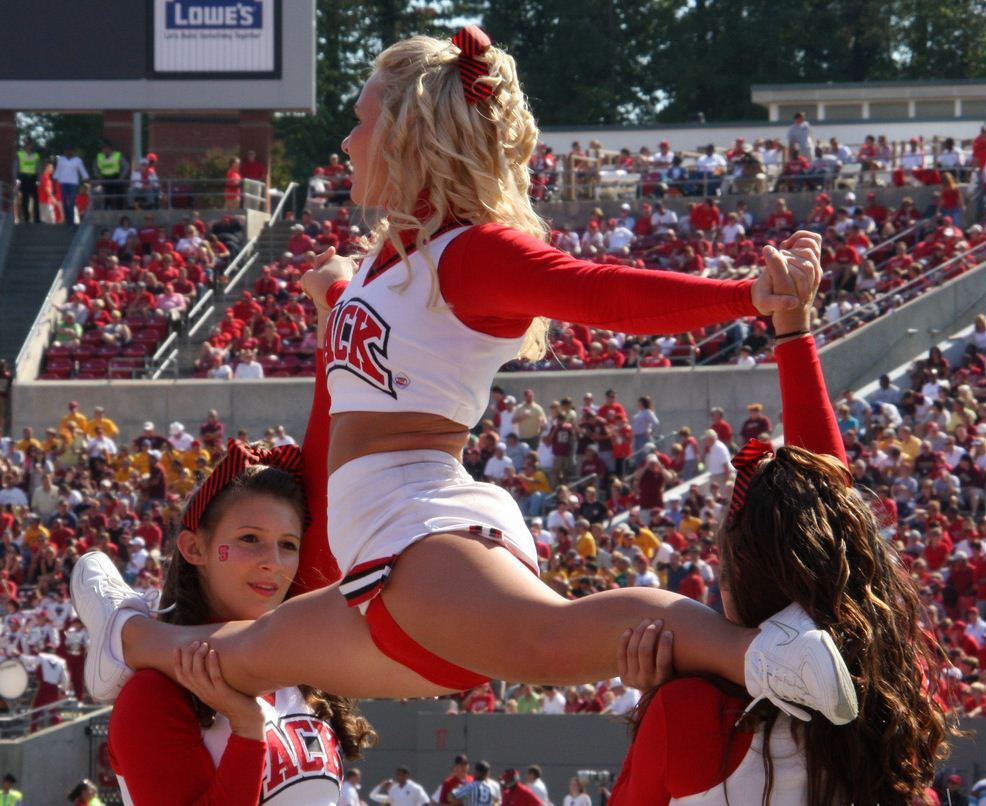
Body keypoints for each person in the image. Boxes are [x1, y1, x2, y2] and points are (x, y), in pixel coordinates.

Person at [73, 28, 854, 728]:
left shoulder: (471, 253)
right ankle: (123, 634)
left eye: (362, 121)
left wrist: (746, 297)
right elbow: (357, 392)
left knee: (553, 639)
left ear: (409, 137)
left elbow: (597, 290)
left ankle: (760, 653)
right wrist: (334, 303)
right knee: (231, 660)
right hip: (380, 564)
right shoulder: (391, 258)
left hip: (420, 531)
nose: (346, 142)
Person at [607, 289, 952, 803]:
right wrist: (793, 332)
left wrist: (649, 703)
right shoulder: (900, 703)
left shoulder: (688, 713)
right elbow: (842, 536)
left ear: (739, 582)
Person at [106, 444, 377, 804]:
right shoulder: (154, 693)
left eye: (288, 544)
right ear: (194, 548)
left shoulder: (304, 676)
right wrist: (246, 728)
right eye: (250, 539)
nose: (274, 563)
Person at [52, 145, 89, 226]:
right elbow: (58, 170)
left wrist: (86, 177)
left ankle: (71, 222)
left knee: (72, 201)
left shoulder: (77, 160)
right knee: (64, 201)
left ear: (72, 151)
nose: (68, 152)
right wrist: (55, 178)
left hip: (73, 183)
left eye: (69, 150)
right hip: (63, 182)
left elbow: (82, 170)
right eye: (66, 150)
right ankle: (67, 218)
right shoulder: (61, 159)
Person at [15, 139, 40, 223]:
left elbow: (38, 168)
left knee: (36, 199)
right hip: (24, 177)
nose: (29, 146)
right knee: (25, 199)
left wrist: (38, 179)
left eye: (30, 145)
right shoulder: (20, 154)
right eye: (27, 145)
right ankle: (26, 218)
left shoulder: (35, 155)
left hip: (33, 178)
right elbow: (16, 167)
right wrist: (17, 179)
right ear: (25, 146)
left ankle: (37, 218)